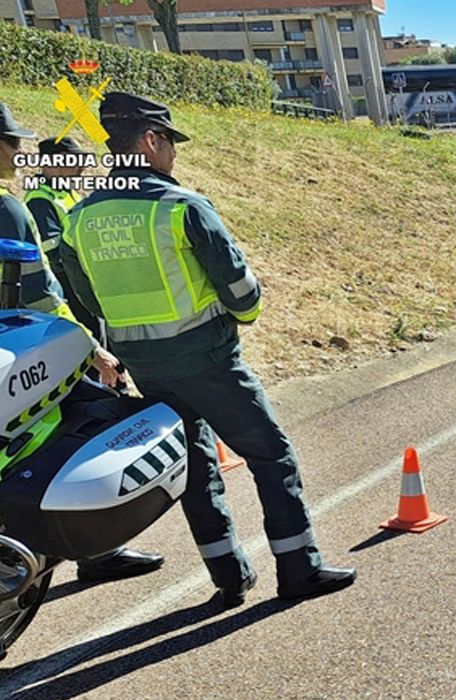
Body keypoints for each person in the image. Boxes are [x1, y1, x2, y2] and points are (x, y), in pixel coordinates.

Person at [60, 92, 355, 607]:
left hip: (146, 369)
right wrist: (240, 319)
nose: (173, 154)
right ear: (150, 141)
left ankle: (228, 576)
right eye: (169, 142)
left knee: (195, 469)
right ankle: (299, 568)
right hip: (210, 360)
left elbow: (86, 301)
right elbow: (241, 290)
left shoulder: (81, 218)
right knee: (271, 454)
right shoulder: (180, 207)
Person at [1, 100, 163, 582]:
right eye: (13, 141)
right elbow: (38, 294)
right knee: (79, 426)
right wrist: (90, 350)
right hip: (21, 351)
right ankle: (93, 547)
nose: (20, 148)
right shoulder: (9, 208)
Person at [24, 136, 100, 338]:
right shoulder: (40, 199)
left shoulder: (68, 193)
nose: (83, 167)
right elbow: (53, 250)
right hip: (68, 286)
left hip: (84, 282)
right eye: (78, 160)